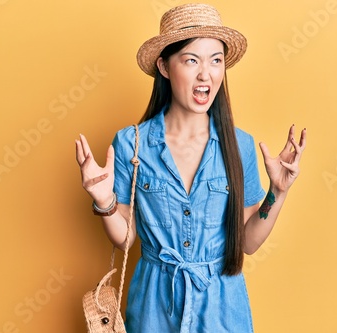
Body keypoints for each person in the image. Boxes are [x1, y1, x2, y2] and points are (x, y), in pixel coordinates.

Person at [76, 3, 306, 332]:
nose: (206, 74)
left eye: (216, 60)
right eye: (191, 60)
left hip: (223, 311)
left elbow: (248, 243)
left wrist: (278, 193)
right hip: (155, 309)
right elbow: (125, 240)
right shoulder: (132, 143)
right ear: (165, 67)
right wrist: (104, 201)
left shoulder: (239, 146)